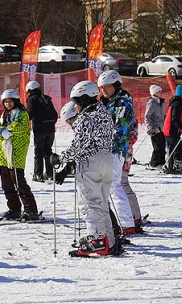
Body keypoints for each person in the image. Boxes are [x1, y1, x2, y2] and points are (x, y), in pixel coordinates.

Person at [52, 81, 120, 257]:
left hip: (91, 162)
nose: (75, 106)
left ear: (83, 99)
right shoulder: (103, 112)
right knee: (102, 202)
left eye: (77, 101)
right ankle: (109, 241)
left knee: (91, 203)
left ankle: (97, 240)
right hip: (106, 159)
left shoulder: (85, 118)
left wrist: (60, 158)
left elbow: (79, 145)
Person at [97, 70, 141, 234]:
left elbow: (120, 130)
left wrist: (105, 145)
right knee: (116, 184)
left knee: (115, 185)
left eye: (106, 87)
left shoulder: (122, 104)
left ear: (115, 85)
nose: (103, 91)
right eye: (101, 88)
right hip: (109, 150)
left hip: (116, 150)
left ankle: (126, 223)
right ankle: (127, 220)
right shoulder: (107, 103)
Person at [0, 89, 39, 220]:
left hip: (16, 154)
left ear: (15, 101)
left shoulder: (22, 114)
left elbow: (19, 128)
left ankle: (31, 209)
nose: (8, 104)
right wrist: (1, 130)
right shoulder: (3, 116)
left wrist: (5, 131)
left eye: (10, 101)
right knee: (6, 184)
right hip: (3, 155)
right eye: (5, 102)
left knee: (19, 182)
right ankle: (14, 208)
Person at [25, 80, 57, 182]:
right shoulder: (47, 98)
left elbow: (30, 114)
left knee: (38, 151)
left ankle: (38, 174)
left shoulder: (31, 99)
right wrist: (51, 124)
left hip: (39, 129)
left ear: (29, 90)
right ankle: (50, 173)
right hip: (51, 128)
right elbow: (55, 114)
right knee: (48, 150)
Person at [163, 85, 182, 175]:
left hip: (168, 130)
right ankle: (177, 167)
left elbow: (179, 118)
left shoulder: (176, 103)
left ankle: (171, 167)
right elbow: (175, 118)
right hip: (171, 130)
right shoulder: (178, 104)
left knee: (173, 148)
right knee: (178, 148)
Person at [144, 85, 166, 168]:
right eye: (159, 91)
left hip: (161, 127)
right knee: (157, 146)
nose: (161, 93)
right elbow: (147, 116)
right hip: (154, 128)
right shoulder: (151, 102)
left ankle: (161, 163)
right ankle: (154, 164)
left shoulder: (161, 102)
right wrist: (150, 127)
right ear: (155, 93)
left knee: (162, 145)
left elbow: (161, 114)